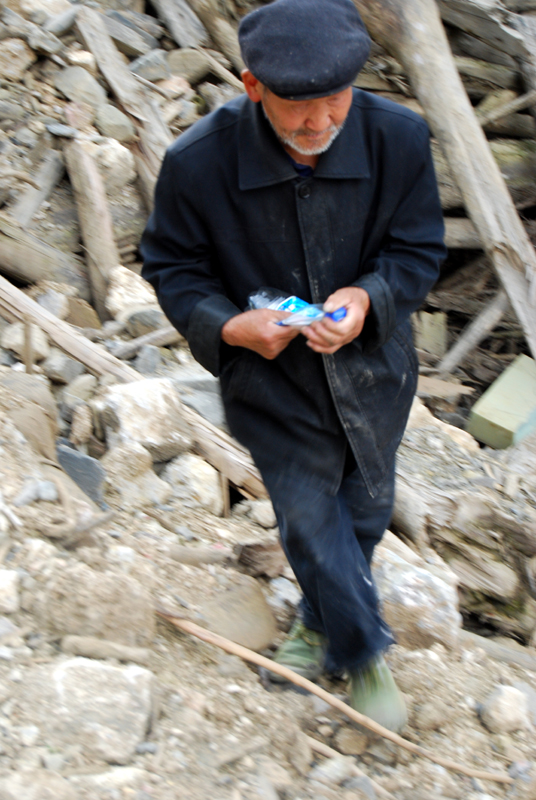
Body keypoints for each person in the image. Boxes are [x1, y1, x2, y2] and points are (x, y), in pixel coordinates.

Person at [141, 0, 446, 732]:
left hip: (373, 375)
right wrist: (231, 327)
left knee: (366, 511)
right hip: (269, 381)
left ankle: (317, 620)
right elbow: (171, 267)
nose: (318, 127)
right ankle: (364, 652)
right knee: (310, 517)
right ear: (252, 87)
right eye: (296, 111)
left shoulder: (398, 138)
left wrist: (367, 299)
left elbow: (417, 253)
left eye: (333, 104)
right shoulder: (197, 163)